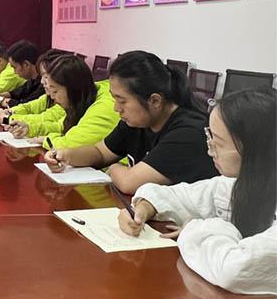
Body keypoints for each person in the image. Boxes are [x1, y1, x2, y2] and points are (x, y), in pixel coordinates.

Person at [119, 88, 276, 296]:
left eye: (218, 143)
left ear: (256, 149)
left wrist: (198, 227)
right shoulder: (242, 183)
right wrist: (144, 207)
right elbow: (180, 196)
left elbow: (234, 270)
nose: (210, 150)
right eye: (210, 137)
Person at [43, 50, 218, 194]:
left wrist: (114, 168)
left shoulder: (188, 133)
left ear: (155, 101)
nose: (116, 108)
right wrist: (67, 155)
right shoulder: (137, 121)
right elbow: (100, 152)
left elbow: (129, 183)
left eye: (122, 101)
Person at [8, 54, 119, 150]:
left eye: (55, 91)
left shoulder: (105, 106)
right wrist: (30, 129)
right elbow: (62, 126)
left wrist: (47, 140)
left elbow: (72, 144)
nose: (52, 97)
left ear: (73, 89)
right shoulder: (84, 96)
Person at [0, 49, 67, 126]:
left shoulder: (66, 103)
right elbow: (29, 107)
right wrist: (10, 112)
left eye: (46, 77)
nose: (42, 81)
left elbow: (42, 120)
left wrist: (6, 119)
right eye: (42, 76)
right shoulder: (47, 97)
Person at [0, 40, 44, 108]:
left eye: (14, 67)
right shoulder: (32, 80)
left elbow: (25, 105)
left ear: (26, 64)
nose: (14, 72)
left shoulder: (43, 84)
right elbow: (17, 92)